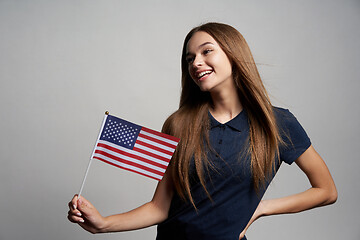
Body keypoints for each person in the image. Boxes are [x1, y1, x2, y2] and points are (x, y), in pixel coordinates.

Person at [67, 22, 337, 239]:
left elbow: (326, 190)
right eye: (190, 58)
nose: (196, 62)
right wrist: (103, 224)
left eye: (207, 51)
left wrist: (261, 209)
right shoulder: (179, 123)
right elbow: (159, 207)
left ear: (234, 54)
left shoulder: (278, 123)